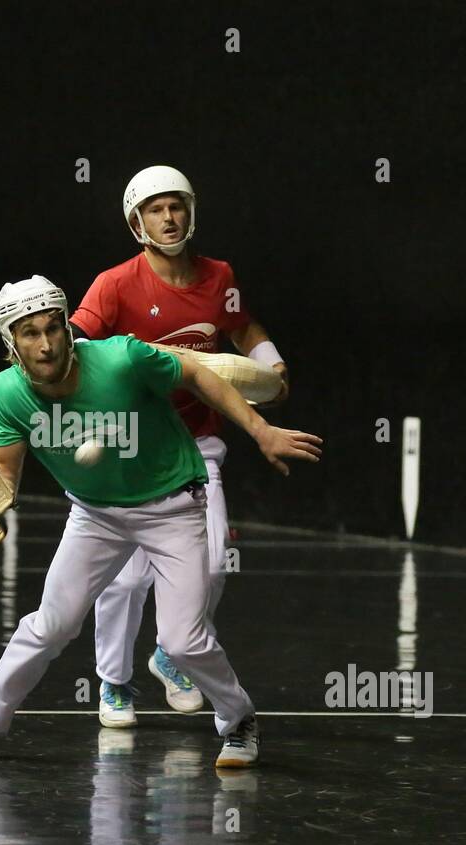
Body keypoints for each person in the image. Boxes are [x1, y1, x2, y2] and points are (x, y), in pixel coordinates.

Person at [0, 275, 321, 768]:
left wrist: (260, 430)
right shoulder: (8, 393)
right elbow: (5, 475)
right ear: (11, 343)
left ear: (66, 327)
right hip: (95, 514)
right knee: (51, 624)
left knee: (184, 641)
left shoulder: (121, 359)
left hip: (172, 506)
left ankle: (239, 720)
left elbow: (197, 374)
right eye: (29, 333)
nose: (45, 344)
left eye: (52, 328)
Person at [69, 165, 291, 727]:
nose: (169, 218)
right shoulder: (114, 284)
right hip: (129, 448)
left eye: (177, 206)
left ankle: (173, 654)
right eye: (155, 209)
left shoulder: (219, 277)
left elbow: (242, 327)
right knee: (125, 579)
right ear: (136, 221)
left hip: (196, 447)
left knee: (214, 563)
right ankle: (114, 682)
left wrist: (271, 364)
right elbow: (76, 350)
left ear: (190, 211)